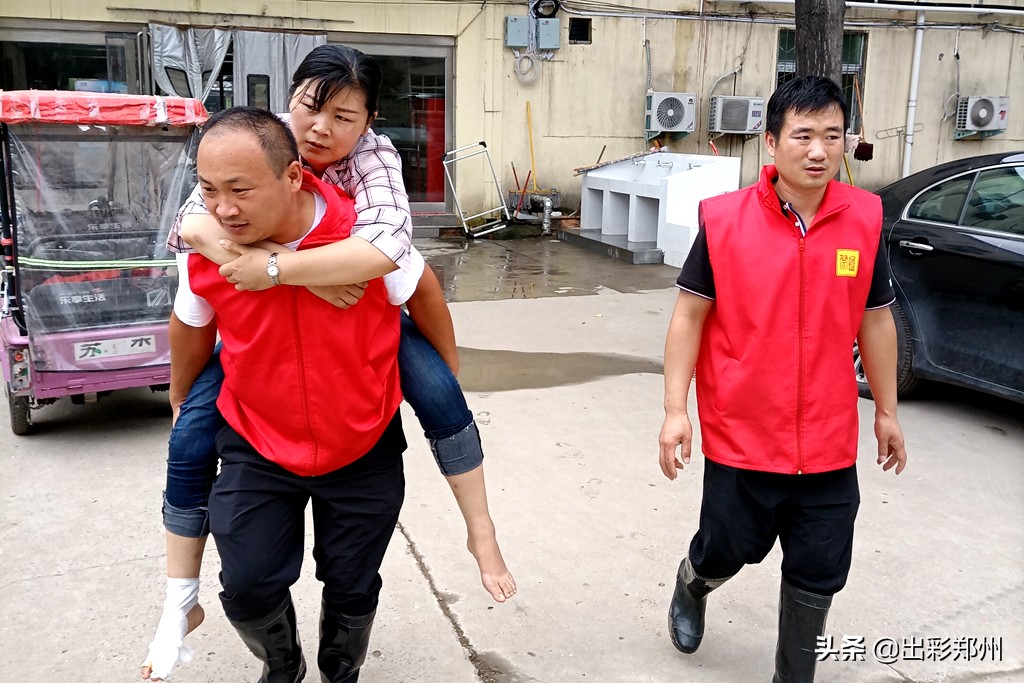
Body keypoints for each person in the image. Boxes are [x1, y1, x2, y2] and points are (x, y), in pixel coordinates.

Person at [142, 45, 514, 681]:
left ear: (367, 122)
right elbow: (198, 231)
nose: (322, 127)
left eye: (345, 117)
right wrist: (230, 245)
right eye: (312, 107)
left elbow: (404, 267)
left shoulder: (372, 175)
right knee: (191, 437)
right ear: (291, 101)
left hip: (362, 390)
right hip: (261, 430)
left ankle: (465, 547)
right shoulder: (250, 156)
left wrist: (283, 269)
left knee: (441, 398)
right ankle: (242, 638)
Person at [657, 76, 908, 683]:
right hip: (742, 434)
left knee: (820, 565)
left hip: (825, 438)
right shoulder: (724, 222)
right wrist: (674, 410)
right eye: (803, 135)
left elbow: (875, 320)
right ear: (771, 143)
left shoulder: (864, 219)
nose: (818, 150)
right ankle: (694, 582)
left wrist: (887, 411)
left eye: (832, 135)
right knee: (728, 546)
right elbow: (689, 316)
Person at [171, 105, 407, 683]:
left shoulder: (365, 239)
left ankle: (339, 665)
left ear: (294, 176)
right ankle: (283, 662)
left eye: (240, 190)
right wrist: (181, 400)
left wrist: (439, 379)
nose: (222, 208)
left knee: (354, 582)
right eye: (208, 189)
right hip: (257, 442)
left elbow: (420, 292)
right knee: (247, 584)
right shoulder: (208, 248)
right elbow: (191, 325)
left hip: (363, 442)